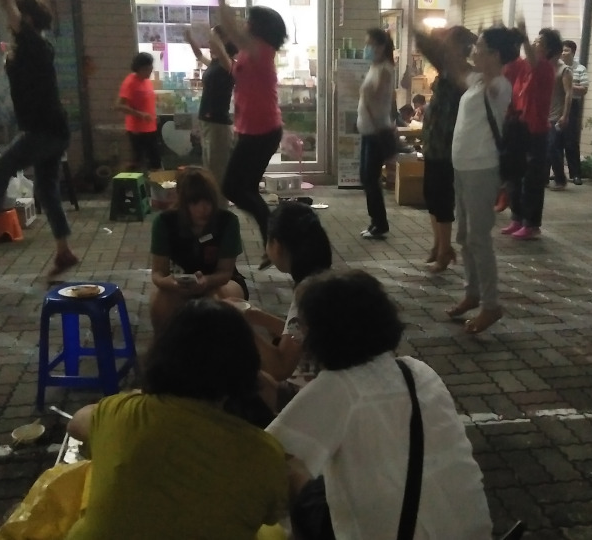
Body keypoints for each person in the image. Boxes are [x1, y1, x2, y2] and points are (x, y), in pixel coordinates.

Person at [267, 269, 493, 538]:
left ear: (320, 335)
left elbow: (267, 454)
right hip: (474, 532)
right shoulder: (417, 371)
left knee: (292, 471)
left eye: (300, 327)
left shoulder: (337, 387)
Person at [65, 299, 288, 539]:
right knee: (273, 533)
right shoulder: (264, 453)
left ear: (161, 353)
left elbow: (77, 423)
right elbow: (271, 513)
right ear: (246, 369)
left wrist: (136, 397)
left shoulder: (120, 412)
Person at [429, 26, 520, 335]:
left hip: (482, 169)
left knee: (479, 238)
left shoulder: (499, 86)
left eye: (479, 47)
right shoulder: (477, 81)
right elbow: (454, 68)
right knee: (465, 236)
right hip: (463, 167)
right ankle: (472, 293)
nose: (474, 51)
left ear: (495, 54)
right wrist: (447, 45)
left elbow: (492, 86)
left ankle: (491, 305)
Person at [0, 0, 77, 277]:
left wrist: (8, 5)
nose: (10, 23)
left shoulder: (34, 43)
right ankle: (64, 251)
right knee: (47, 192)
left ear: (28, 20)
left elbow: (11, 12)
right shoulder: (33, 47)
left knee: (0, 168)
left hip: (43, 131)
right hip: (51, 130)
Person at [218, 0, 288, 269]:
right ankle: (274, 240)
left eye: (249, 20)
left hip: (262, 130)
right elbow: (232, 67)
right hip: (254, 130)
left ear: (258, 27)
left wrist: (222, 5)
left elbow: (231, 28)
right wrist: (214, 41)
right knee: (243, 189)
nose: (245, 24)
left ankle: (274, 237)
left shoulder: (261, 49)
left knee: (233, 188)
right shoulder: (250, 53)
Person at [149, 167, 248, 337]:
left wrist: (206, 281)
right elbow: (158, 272)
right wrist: (170, 283)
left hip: (220, 281)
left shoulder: (227, 221)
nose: (203, 209)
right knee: (160, 304)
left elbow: (225, 272)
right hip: (181, 282)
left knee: (215, 304)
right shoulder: (164, 222)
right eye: (194, 203)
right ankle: (165, 347)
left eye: (208, 201)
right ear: (182, 203)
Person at [239, 202, 332, 382]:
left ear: (277, 246)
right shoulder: (326, 279)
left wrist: (238, 323)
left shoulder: (308, 293)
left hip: (331, 388)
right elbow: (300, 334)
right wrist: (256, 316)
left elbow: (281, 367)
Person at [414, 26, 477, 274]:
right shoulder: (449, 69)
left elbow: (429, 48)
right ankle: (439, 244)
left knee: (441, 198)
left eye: (449, 41)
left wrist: (420, 34)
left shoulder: (463, 73)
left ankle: (445, 251)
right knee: (431, 194)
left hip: (448, 145)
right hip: (435, 142)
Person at [500, 24, 561, 240]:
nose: (535, 44)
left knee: (532, 179)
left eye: (539, 42)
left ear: (549, 49)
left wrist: (524, 36)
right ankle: (517, 218)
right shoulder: (524, 67)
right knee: (516, 175)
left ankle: (531, 223)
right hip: (520, 127)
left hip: (536, 130)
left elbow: (533, 61)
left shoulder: (544, 68)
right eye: (535, 40)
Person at [187, 26, 237, 197]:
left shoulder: (228, 64)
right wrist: (190, 39)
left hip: (218, 124)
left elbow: (219, 49)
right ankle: (212, 204)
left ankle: (220, 206)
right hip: (207, 122)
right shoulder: (215, 63)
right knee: (209, 169)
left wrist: (213, 32)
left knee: (217, 172)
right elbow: (199, 56)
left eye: (212, 39)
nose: (209, 42)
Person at [356, 28, 397, 240]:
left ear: (381, 46)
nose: (367, 48)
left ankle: (379, 224)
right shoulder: (374, 67)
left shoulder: (385, 69)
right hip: (369, 131)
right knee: (367, 178)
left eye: (370, 44)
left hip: (377, 131)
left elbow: (377, 97)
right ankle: (375, 222)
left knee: (370, 178)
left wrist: (362, 91)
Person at [116, 52, 161, 172]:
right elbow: (119, 105)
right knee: (138, 161)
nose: (150, 72)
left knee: (155, 160)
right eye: (147, 69)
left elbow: (146, 101)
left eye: (151, 68)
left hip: (150, 126)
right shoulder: (130, 82)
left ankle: (154, 181)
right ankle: (134, 181)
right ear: (139, 68)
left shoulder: (147, 81)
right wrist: (140, 114)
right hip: (137, 129)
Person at [546, 43, 574, 191]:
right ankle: (544, 178)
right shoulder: (547, 67)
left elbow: (569, 93)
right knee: (546, 147)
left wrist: (565, 115)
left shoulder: (564, 70)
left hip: (556, 115)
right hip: (546, 113)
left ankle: (560, 179)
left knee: (553, 147)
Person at [560, 40, 588, 186]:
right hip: (558, 105)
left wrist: (568, 85)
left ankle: (575, 174)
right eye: (562, 50)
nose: (563, 53)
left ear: (573, 52)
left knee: (571, 140)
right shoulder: (557, 67)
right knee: (556, 140)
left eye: (566, 50)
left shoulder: (580, 69)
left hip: (573, 106)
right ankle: (558, 173)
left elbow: (584, 89)